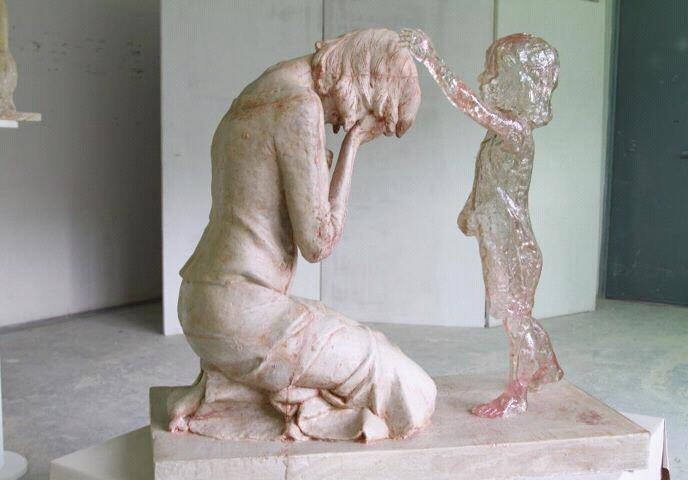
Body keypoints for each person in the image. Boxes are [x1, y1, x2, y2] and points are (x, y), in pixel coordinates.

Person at [168, 28, 436, 442]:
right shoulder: (299, 106)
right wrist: (353, 144)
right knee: (399, 378)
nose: (341, 123)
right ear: (364, 86)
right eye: (367, 114)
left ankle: (235, 389)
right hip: (240, 312)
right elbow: (318, 242)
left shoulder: (259, 92)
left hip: (204, 300)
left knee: (349, 341)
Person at [401, 29, 564, 418]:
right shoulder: (499, 135)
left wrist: (432, 60)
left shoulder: (515, 132)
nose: (483, 79)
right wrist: (471, 208)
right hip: (501, 239)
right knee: (519, 317)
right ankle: (548, 367)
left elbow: (468, 103)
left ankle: (516, 393)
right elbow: (492, 181)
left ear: (518, 84)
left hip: (513, 247)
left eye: (493, 73)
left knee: (515, 321)